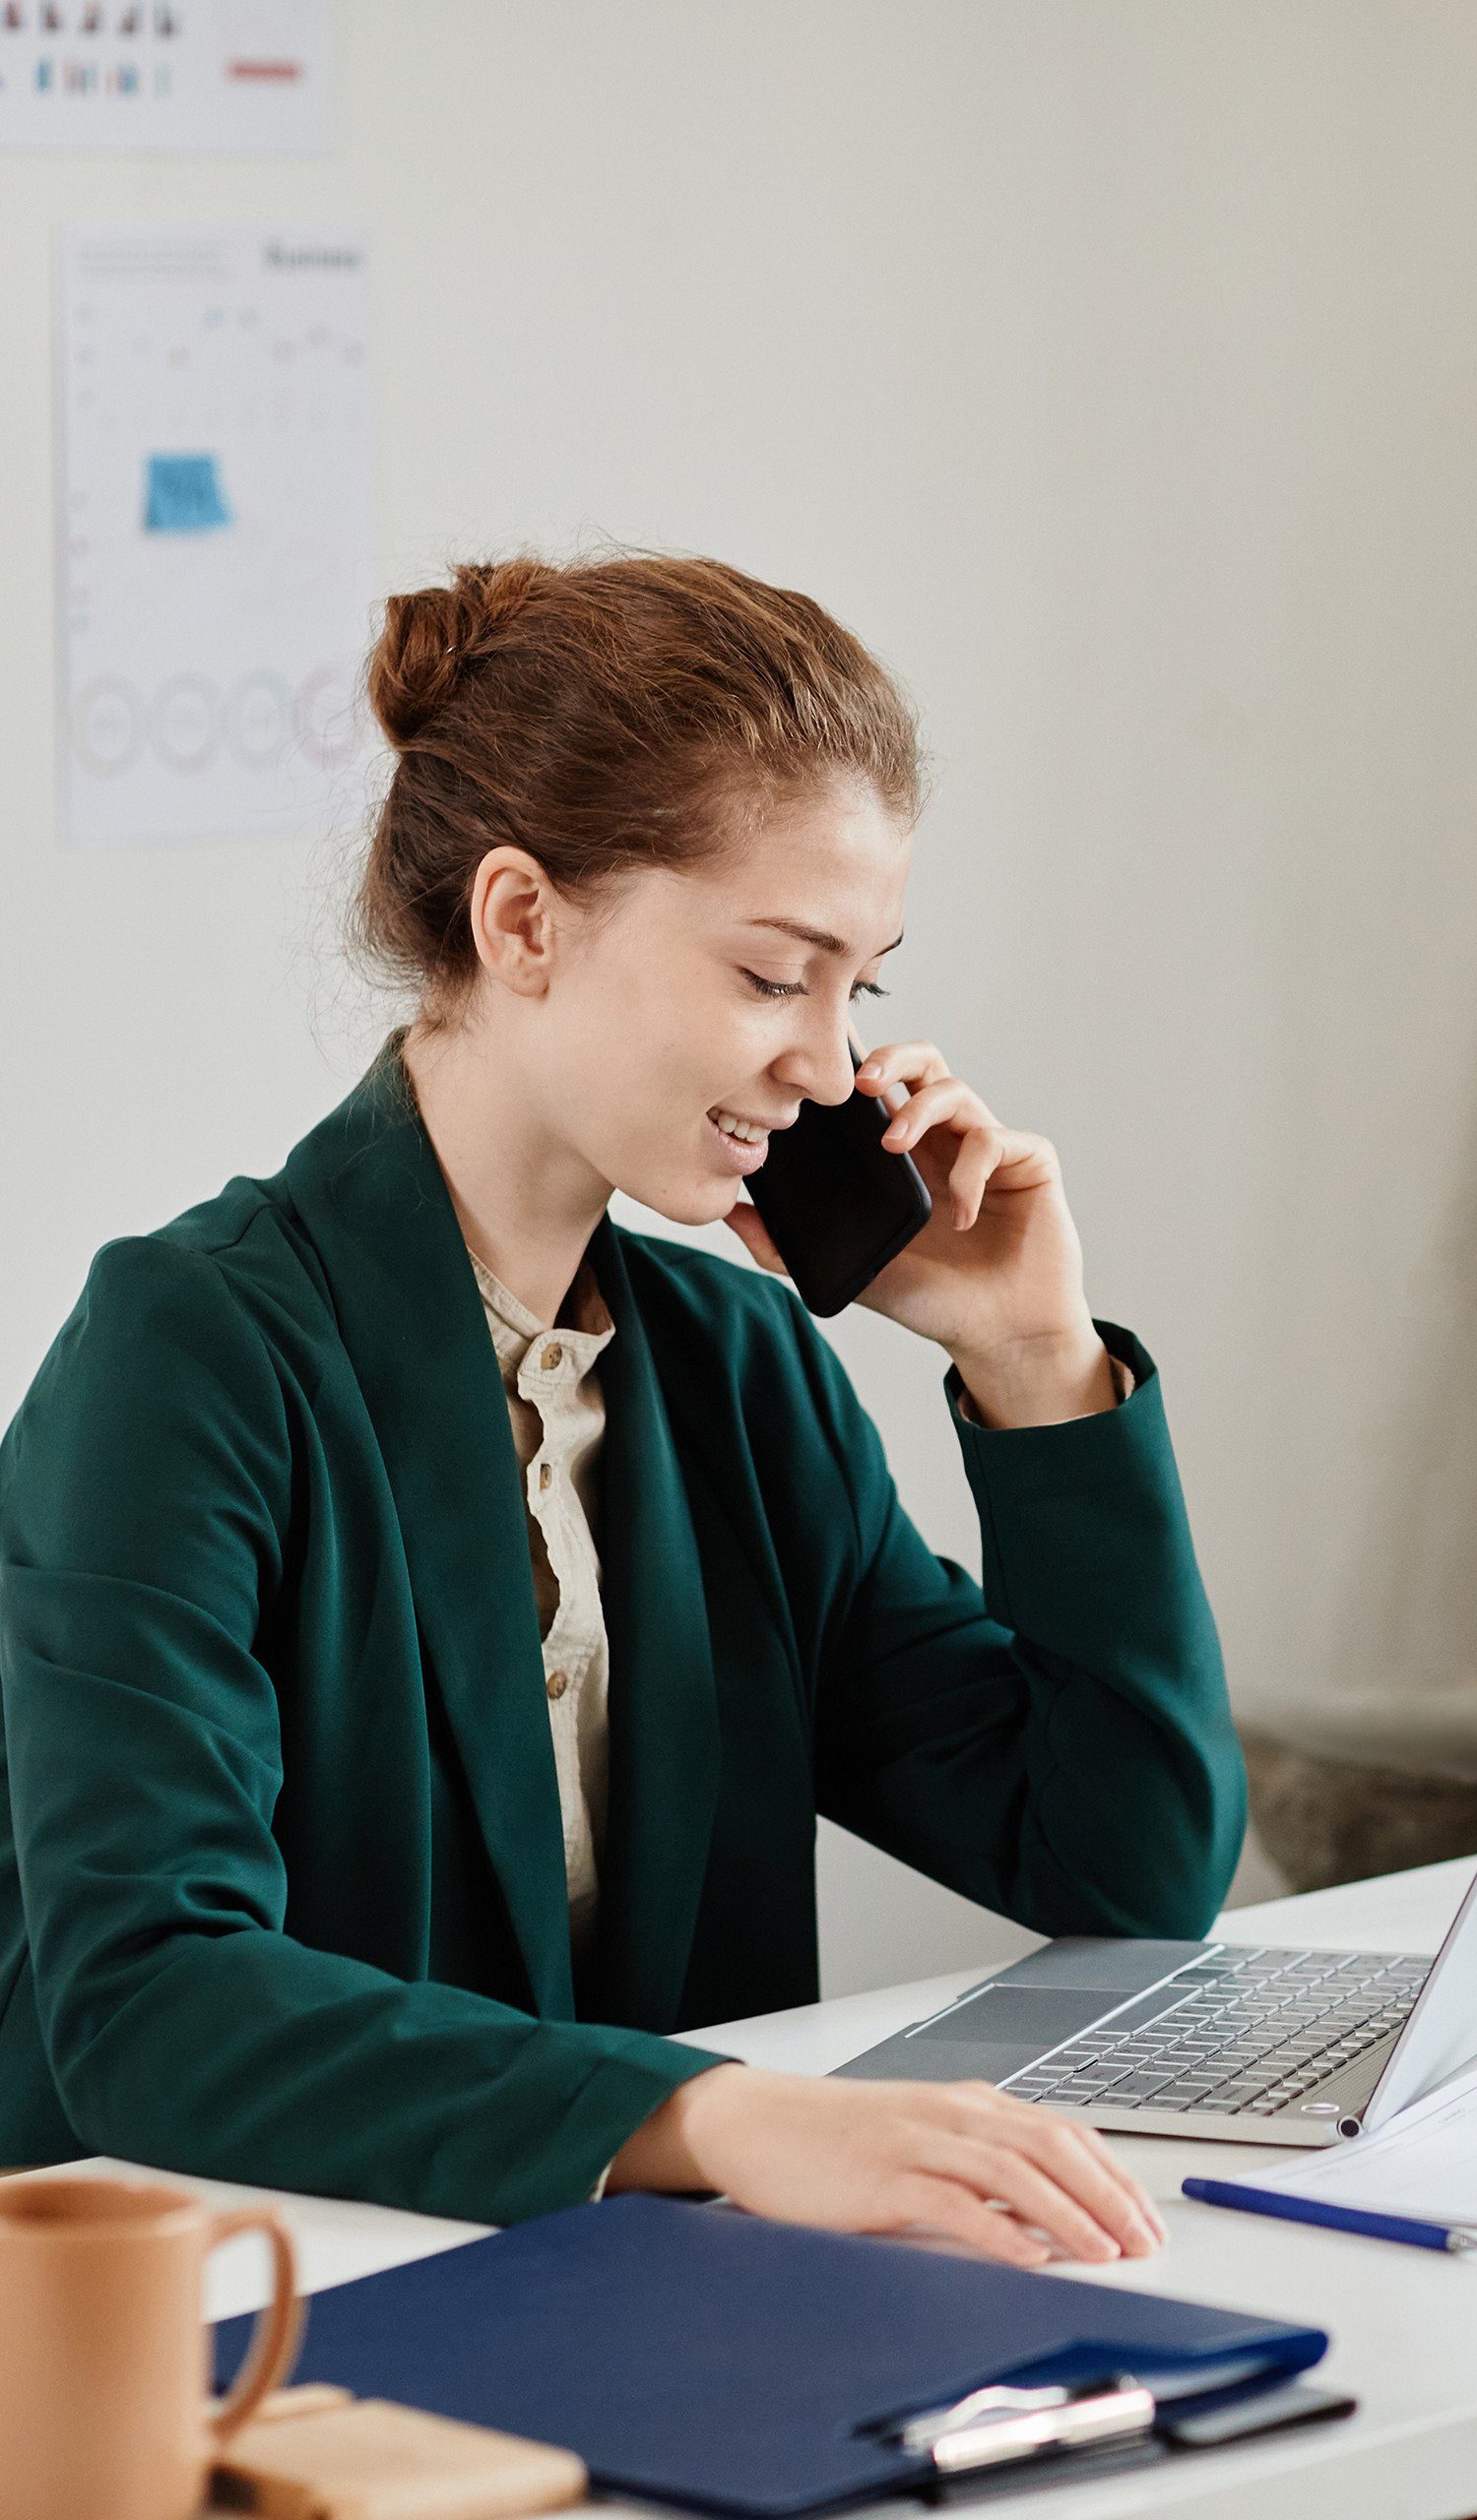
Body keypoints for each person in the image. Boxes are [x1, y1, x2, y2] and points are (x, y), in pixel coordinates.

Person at [0, 553, 1245, 2264]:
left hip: (615, 2295)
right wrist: (713, 2116)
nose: (827, 1066)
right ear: (522, 921)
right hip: (235, 2315)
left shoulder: (742, 1378)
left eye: (857, 988)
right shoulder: (190, 1352)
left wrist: (1034, 1368)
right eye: (771, 975)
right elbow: (150, 1996)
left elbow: (1124, 1874)